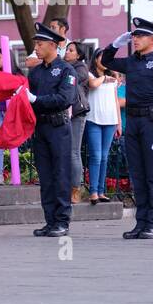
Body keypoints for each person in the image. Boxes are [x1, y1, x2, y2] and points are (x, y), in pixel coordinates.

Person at [101, 17, 153, 240]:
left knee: (152, 174)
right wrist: (115, 43)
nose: (135, 39)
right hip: (133, 123)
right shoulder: (131, 62)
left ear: (152, 39)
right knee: (137, 175)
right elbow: (107, 61)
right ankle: (140, 223)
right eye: (133, 36)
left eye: (139, 36)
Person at [24, 23, 78, 237]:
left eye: (39, 44)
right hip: (41, 126)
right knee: (45, 177)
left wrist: (37, 100)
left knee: (60, 175)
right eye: (35, 43)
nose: (36, 47)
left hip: (58, 127)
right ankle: (50, 220)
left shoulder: (66, 70)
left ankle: (62, 221)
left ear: (53, 45)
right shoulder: (36, 72)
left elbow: (66, 98)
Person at [84, 50, 120, 205]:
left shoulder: (113, 78)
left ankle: (101, 191)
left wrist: (118, 122)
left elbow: (116, 101)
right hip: (94, 120)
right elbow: (92, 85)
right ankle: (93, 192)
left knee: (104, 157)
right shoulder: (90, 74)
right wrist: (105, 77)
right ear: (96, 59)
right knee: (96, 156)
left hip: (110, 121)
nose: (105, 60)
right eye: (102, 57)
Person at [63, 40, 90, 204]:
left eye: (71, 50)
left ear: (78, 55)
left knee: (74, 151)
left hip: (77, 114)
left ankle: (75, 189)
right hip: (63, 113)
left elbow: (73, 78)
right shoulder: (63, 66)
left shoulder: (80, 68)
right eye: (66, 49)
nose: (67, 52)